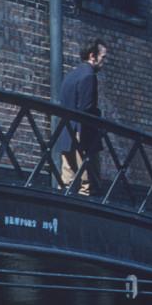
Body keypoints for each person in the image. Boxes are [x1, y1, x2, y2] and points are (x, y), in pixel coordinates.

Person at [54, 39, 108, 195]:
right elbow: (87, 108)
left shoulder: (71, 75)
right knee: (88, 183)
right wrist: (98, 116)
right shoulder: (89, 75)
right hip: (83, 133)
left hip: (66, 132)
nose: (104, 62)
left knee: (66, 181)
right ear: (93, 56)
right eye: (102, 57)